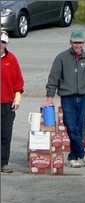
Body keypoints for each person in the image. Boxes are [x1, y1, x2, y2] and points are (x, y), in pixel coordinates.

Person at [45, 30, 85, 168]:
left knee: (80, 128)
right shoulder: (61, 58)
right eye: (75, 42)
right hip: (67, 97)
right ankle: (82, 152)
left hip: (84, 97)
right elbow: (53, 78)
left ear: (83, 43)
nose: (77, 45)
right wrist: (50, 96)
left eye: (80, 43)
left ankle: (73, 157)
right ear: (70, 43)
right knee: (70, 125)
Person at [1, 30, 23, 174]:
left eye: (3, 42)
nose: (1, 44)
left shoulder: (12, 59)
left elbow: (18, 82)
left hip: (7, 103)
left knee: (6, 134)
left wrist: (17, 98)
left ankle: (3, 163)